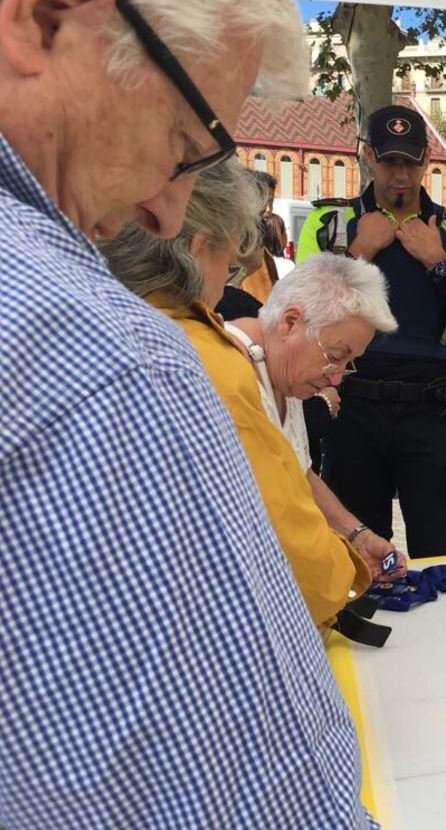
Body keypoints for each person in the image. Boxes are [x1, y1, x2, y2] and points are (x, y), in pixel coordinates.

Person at [0, 0, 375, 826]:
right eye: (179, 140)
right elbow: (254, 784)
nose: (165, 214)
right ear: (48, 16)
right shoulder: (113, 354)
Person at [101, 160, 402, 616]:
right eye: (230, 265)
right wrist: (349, 572)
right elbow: (287, 534)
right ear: (200, 249)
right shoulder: (208, 359)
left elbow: (291, 471)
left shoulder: (106, 326)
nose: (229, 285)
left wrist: (354, 534)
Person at [296, 104, 446, 558]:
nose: (400, 176)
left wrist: (439, 263)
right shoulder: (330, 225)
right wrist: (358, 254)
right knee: (355, 556)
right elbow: (301, 317)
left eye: (410, 162)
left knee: (443, 549)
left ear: (426, 159)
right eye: (390, 161)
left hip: (430, 414)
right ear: (368, 156)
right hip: (351, 411)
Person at [225, 253, 407, 575]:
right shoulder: (231, 374)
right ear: (290, 322)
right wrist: (342, 571)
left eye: (347, 363)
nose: (336, 377)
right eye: (335, 356)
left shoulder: (281, 366)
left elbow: (299, 472)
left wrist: (357, 536)